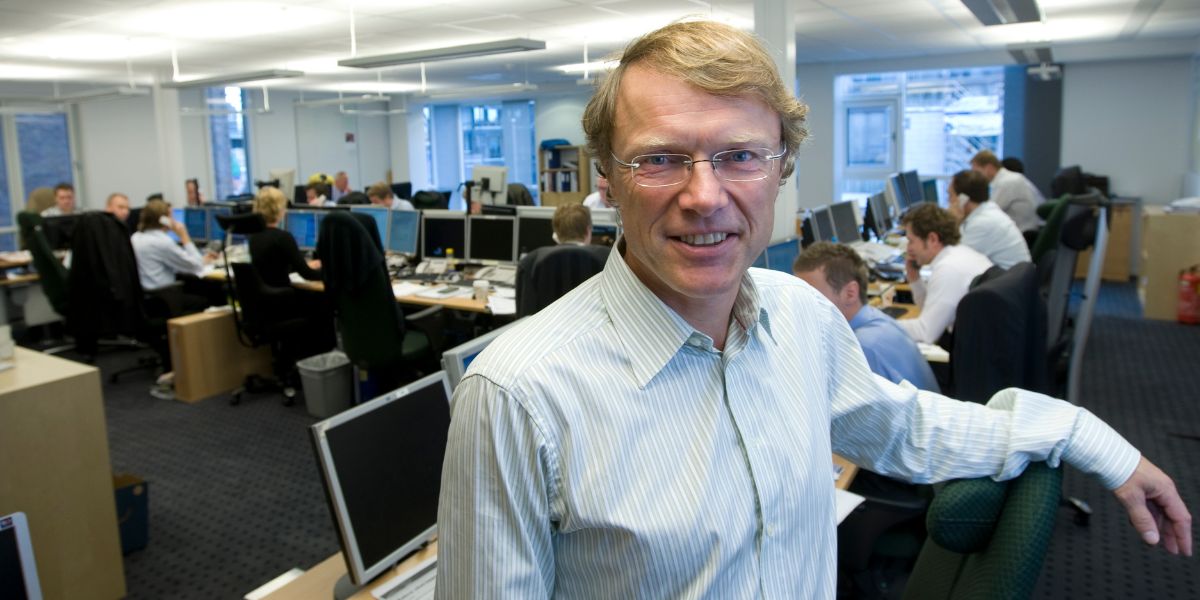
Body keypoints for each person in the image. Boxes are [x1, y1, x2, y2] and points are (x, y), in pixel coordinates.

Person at [436, 20, 1191, 599]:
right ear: (607, 180)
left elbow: (908, 431)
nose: (704, 196)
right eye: (660, 158)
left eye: (740, 155)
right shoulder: (515, 397)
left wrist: (1088, 436)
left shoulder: (800, 316)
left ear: (781, 170)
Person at [793, 241, 939, 392]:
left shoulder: (860, 349)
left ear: (850, 293)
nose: (800, 305)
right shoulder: (878, 320)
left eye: (811, 295)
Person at [897, 203, 993, 344]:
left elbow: (926, 333)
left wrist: (879, 324)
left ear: (932, 239)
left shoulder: (949, 269)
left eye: (911, 241)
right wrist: (914, 278)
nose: (908, 249)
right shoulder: (960, 254)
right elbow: (933, 313)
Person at [130, 198, 214, 300]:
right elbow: (196, 265)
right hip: (165, 297)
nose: (173, 220)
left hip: (147, 296)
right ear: (164, 220)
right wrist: (184, 236)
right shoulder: (162, 242)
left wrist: (201, 260)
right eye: (171, 216)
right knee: (210, 296)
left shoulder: (135, 237)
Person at [947, 169, 1030, 269]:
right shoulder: (986, 211)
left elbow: (954, 260)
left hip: (1006, 277)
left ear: (963, 199)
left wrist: (953, 222)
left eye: (950, 195)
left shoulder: (982, 223)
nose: (948, 201)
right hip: (1008, 275)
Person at [250, 186, 322, 288]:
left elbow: (273, 267)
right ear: (279, 209)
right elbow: (307, 274)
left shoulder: (254, 236)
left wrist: (303, 264)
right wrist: (333, 275)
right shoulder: (283, 237)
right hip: (282, 295)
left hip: (265, 295)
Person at [970, 149, 1043, 234]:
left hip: (1025, 233)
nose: (977, 177)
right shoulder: (1009, 179)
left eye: (977, 172)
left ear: (989, 167)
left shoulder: (1007, 182)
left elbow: (988, 212)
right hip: (1024, 230)